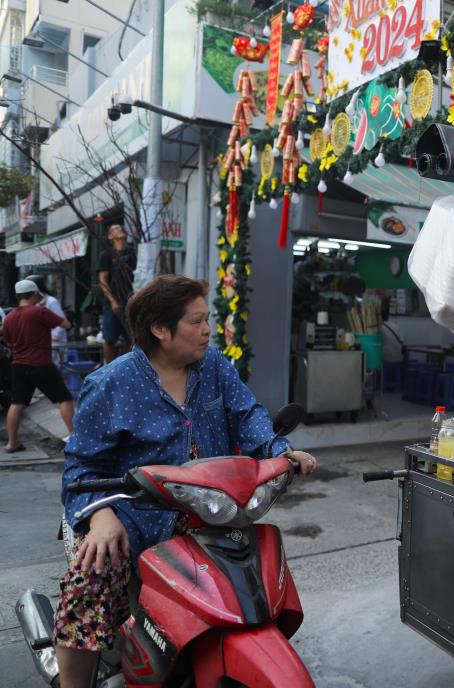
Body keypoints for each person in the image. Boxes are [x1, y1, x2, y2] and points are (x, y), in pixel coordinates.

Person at [54, 274, 319, 688]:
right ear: (161, 329)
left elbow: (246, 416)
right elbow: (81, 468)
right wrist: (102, 515)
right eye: (196, 322)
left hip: (211, 511)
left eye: (206, 319)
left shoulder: (213, 366)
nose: (207, 330)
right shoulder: (111, 383)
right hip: (136, 517)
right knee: (90, 581)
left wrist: (277, 452)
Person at [0, 280, 74, 452]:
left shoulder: (9, 318)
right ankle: (74, 437)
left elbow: (8, 340)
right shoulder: (40, 311)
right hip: (41, 364)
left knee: (17, 403)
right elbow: (65, 324)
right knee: (64, 398)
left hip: (18, 365)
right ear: (34, 294)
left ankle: (12, 442)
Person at [97, 224, 136, 364]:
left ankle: (124, 366)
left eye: (120, 228)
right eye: (114, 229)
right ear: (110, 237)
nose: (119, 229)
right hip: (113, 303)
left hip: (131, 301)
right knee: (110, 338)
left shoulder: (132, 253)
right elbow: (102, 279)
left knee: (131, 337)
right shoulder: (106, 255)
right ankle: (109, 368)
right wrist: (112, 301)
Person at [27, 274, 68, 356]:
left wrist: (55, 336)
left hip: (54, 343)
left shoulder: (52, 302)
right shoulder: (33, 303)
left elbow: (61, 321)